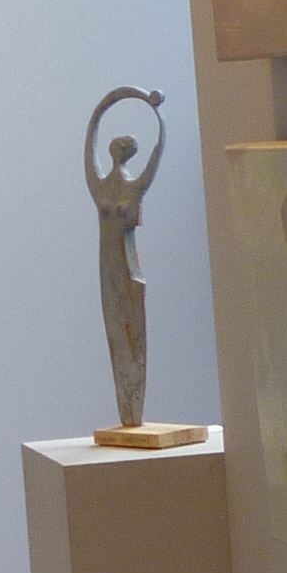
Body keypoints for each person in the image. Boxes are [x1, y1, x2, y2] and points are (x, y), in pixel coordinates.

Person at [84, 86, 166, 427]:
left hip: (128, 267)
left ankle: (133, 412)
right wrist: (103, 107)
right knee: (116, 334)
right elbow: (88, 147)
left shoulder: (133, 187)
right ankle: (127, 413)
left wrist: (158, 115)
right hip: (108, 267)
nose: (118, 151)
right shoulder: (100, 187)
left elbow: (156, 156)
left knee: (133, 339)